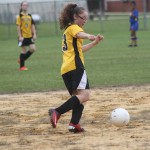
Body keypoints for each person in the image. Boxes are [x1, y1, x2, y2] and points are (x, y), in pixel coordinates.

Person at [48, 3, 104, 133]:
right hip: (75, 67)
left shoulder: (68, 30)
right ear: (74, 16)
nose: (85, 21)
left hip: (67, 68)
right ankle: (57, 111)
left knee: (79, 98)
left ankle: (74, 124)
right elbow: (80, 34)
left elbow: (80, 50)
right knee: (85, 95)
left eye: (86, 18)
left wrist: (94, 42)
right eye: (82, 18)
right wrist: (89, 36)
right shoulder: (73, 28)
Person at [16, 1, 37, 71]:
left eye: (26, 5)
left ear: (27, 6)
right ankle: (22, 67)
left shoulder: (30, 16)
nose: (25, 6)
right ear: (21, 6)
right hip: (22, 36)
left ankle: (22, 59)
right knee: (24, 50)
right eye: (23, 5)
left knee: (33, 48)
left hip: (29, 36)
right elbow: (18, 26)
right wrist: (20, 36)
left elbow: (33, 25)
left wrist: (34, 34)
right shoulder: (20, 16)